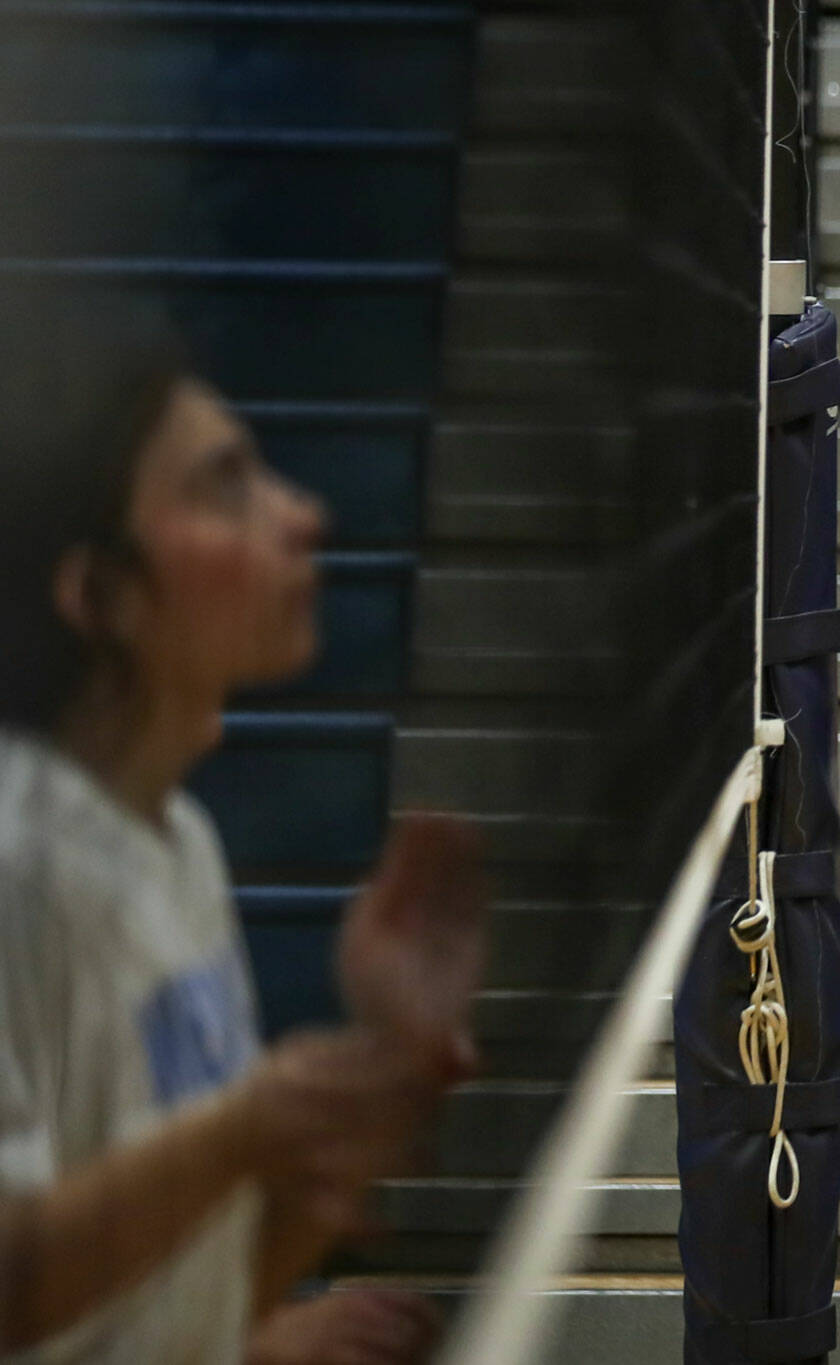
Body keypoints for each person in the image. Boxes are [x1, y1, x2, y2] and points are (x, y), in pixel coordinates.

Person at [0, 292, 486, 1363]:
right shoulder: (15, 866)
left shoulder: (180, 846)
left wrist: (385, 1067)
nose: (301, 514)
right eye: (225, 486)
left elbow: (179, 1289)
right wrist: (241, 1135)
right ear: (102, 594)